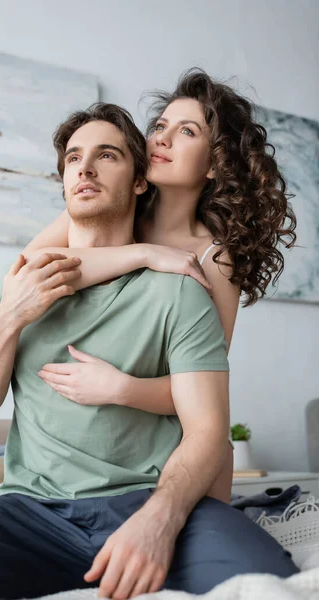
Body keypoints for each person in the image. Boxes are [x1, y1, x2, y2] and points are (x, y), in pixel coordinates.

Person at [0, 102, 298, 600]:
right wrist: (14, 312)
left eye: (106, 156)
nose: (86, 168)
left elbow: (204, 413)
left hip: (149, 491)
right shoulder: (24, 279)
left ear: (140, 178)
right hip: (32, 508)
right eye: (74, 159)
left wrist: (125, 394)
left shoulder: (197, 274)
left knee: (267, 580)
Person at [21, 69, 297, 504]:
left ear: (214, 164)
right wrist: (144, 254)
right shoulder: (114, 205)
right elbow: (28, 269)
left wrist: (119, 388)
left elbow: (202, 387)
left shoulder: (215, 259)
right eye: (159, 126)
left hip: (184, 452)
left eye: (186, 131)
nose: (162, 140)